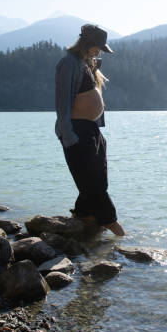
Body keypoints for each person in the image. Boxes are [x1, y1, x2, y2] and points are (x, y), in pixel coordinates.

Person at [55, 24, 125, 236]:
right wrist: (69, 136)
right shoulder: (68, 63)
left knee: (98, 180)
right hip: (76, 131)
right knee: (93, 184)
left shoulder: (87, 64)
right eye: (97, 47)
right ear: (86, 43)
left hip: (91, 131)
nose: (99, 51)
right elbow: (62, 102)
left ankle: (83, 216)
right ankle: (115, 227)